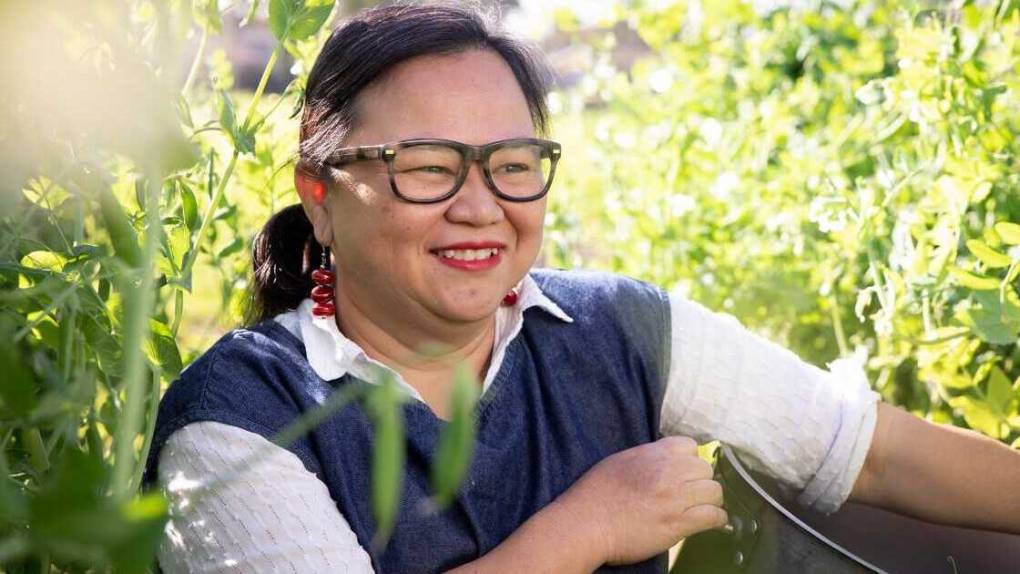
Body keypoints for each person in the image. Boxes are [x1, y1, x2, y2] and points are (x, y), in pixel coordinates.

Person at [144, 3, 1020, 573]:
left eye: (512, 164)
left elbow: (863, 451)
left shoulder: (615, 329)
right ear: (322, 198)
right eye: (428, 168)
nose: (480, 207)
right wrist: (584, 530)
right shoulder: (239, 418)